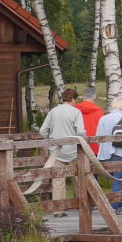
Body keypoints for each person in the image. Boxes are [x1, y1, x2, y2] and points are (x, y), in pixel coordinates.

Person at [40, 87, 85, 215]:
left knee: (58, 180)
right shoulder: (76, 112)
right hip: (74, 151)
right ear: (73, 99)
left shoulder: (53, 112)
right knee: (79, 179)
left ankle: (58, 210)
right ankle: (82, 206)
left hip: (57, 151)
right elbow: (81, 131)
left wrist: (51, 141)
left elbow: (42, 131)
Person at [96, 98, 122, 212]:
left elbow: (97, 136)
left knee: (116, 180)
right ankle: (114, 207)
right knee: (117, 180)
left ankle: (120, 205)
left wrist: (104, 148)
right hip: (120, 153)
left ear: (112, 107)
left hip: (104, 155)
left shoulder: (103, 118)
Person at [75, 87, 105, 155]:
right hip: (95, 145)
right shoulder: (99, 111)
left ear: (83, 97)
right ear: (94, 97)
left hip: (78, 146)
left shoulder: (74, 109)